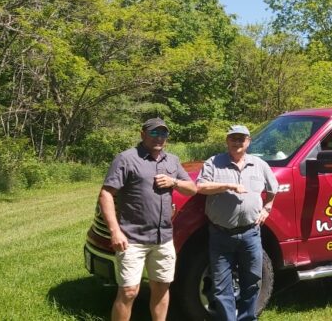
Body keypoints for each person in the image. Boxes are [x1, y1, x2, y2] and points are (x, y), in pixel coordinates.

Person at [99, 117, 197, 321]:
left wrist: (173, 182)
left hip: (163, 239)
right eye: (154, 132)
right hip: (132, 238)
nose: (159, 137)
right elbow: (106, 194)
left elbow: (192, 189)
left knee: (161, 287)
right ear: (142, 134)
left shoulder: (172, 161)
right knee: (128, 291)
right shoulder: (126, 159)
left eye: (163, 133)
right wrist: (115, 231)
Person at [196, 125, 278, 321]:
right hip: (221, 234)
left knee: (252, 281)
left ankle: (248, 318)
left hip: (251, 233)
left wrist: (267, 209)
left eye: (241, 138)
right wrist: (228, 186)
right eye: (233, 138)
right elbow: (201, 187)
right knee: (221, 285)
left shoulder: (259, 165)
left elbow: (273, 188)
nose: (237, 142)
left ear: (248, 142)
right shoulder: (214, 163)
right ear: (227, 141)